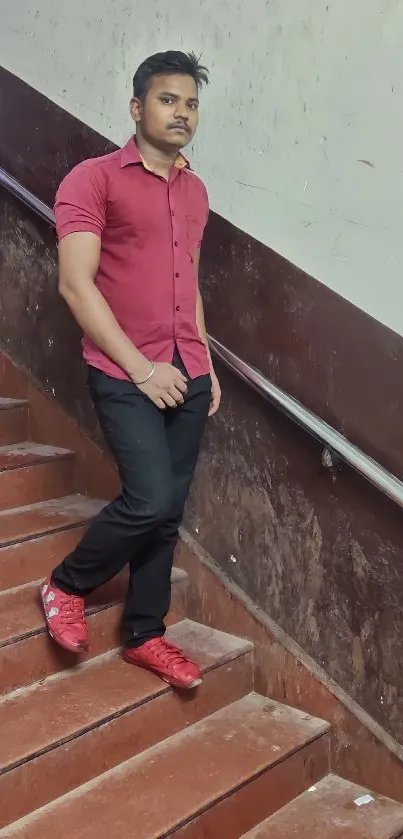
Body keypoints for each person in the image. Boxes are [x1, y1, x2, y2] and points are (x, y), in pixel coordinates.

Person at [41, 50, 221, 690]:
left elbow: (187, 283)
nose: (182, 113)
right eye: (169, 100)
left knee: (168, 512)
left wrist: (204, 359)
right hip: (127, 373)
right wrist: (143, 369)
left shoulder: (195, 189)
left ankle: (145, 633)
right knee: (147, 501)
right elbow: (75, 286)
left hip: (188, 371)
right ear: (138, 107)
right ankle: (66, 585)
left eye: (191, 103)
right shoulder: (92, 180)